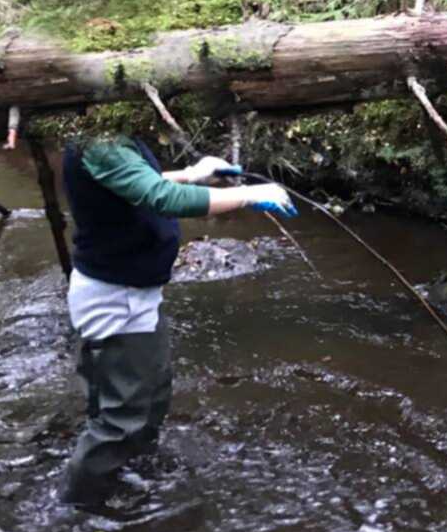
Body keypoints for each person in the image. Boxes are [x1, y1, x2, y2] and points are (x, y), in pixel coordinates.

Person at [57, 133, 295, 507]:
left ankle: (130, 472)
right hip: (115, 299)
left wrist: (191, 174)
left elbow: (140, 183)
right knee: (121, 420)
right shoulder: (99, 144)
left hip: (133, 294)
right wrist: (249, 195)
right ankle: (79, 509)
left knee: (152, 397)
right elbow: (161, 199)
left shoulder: (107, 139)